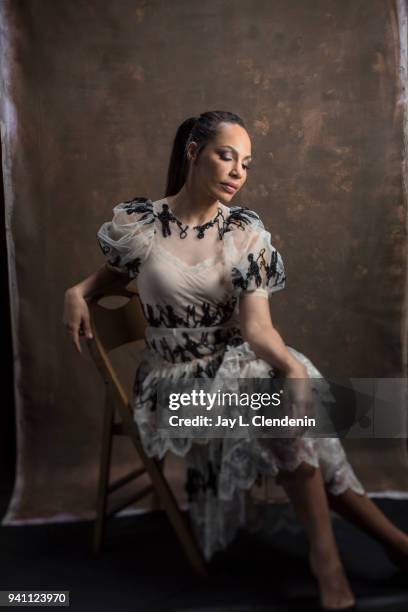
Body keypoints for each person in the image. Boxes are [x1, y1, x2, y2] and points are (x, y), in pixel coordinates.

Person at [63, 110, 408, 610]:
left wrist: (290, 369)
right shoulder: (143, 225)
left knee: (293, 403)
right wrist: (77, 291)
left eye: (246, 163)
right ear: (193, 152)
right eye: (227, 156)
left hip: (235, 368)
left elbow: (257, 329)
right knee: (313, 412)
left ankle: (349, 554)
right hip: (173, 392)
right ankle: (374, 547)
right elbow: (113, 275)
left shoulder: (244, 232)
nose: (238, 172)